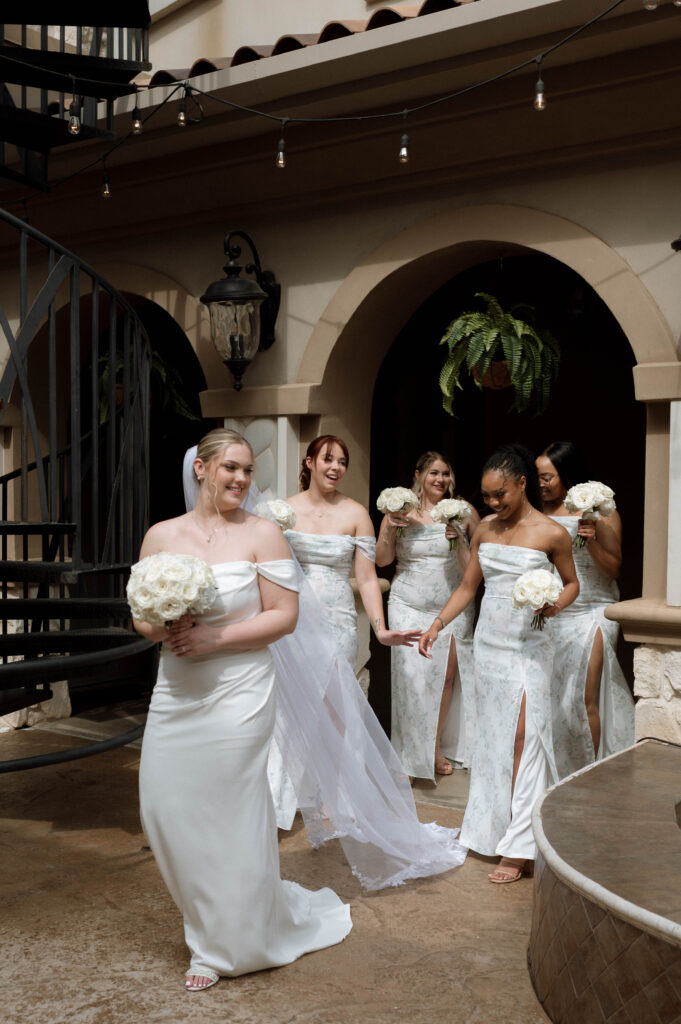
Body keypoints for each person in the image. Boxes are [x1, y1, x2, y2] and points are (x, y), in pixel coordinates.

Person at [134, 429, 352, 991]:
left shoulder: (263, 534)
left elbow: (283, 616)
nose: (240, 479)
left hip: (240, 685)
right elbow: (140, 618)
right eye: (229, 467)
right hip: (178, 688)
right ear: (201, 469)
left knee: (229, 807)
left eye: (248, 470)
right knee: (163, 804)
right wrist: (167, 624)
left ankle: (220, 944)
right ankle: (211, 913)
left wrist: (215, 639)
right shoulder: (161, 535)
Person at [418, 444, 579, 883]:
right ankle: (490, 830)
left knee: (526, 737)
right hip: (489, 645)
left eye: (500, 494)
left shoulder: (552, 533)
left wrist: (553, 606)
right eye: (487, 496)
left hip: (530, 647)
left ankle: (523, 845)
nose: (492, 504)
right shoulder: (485, 530)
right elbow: (469, 587)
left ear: (522, 484)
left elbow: (571, 585)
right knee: (492, 741)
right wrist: (437, 624)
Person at [376, 451, 479, 779]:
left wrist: (459, 538)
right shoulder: (400, 511)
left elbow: (472, 572)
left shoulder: (464, 513)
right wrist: (390, 529)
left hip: (450, 605)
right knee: (411, 678)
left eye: (446, 474)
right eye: (434, 473)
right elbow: (381, 561)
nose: (440, 480)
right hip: (407, 603)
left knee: (446, 677)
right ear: (418, 474)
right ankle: (407, 751)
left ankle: (433, 747)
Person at [536, 441, 634, 778]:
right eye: (537, 476)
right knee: (554, 696)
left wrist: (590, 540)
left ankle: (590, 773)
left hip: (595, 610)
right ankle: (560, 768)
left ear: (567, 474)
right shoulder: (539, 515)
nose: (540, 483)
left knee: (582, 695)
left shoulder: (602, 512)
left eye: (547, 476)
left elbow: (613, 569)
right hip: (557, 610)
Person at [285, 435, 422, 673]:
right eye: (328, 459)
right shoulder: (284, 511)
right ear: (309, 462)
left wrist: (380, 629)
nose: (335, 467)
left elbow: (367, 579)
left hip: (338, 620)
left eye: (342, 462)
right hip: (293, 618)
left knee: (335, 699)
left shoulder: (357, 514)